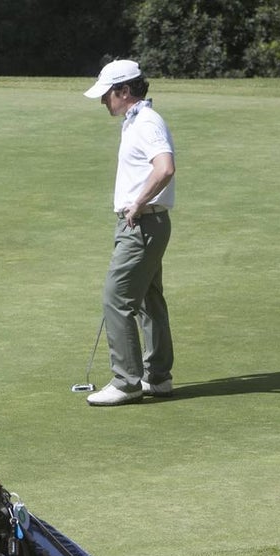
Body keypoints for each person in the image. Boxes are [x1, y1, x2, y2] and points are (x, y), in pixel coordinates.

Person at [82, 60, 176, 406]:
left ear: (124, 91)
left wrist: (137, 204)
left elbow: (164, 168)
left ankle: (126, 382)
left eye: (107, 95)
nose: (104, 102)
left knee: (116, 297)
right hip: (148, 222)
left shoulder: (146, 123)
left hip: (142, 222)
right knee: (148, 299)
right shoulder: (136, 121)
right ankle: (157, 377)